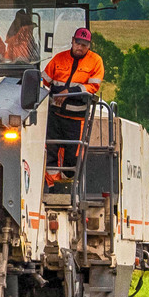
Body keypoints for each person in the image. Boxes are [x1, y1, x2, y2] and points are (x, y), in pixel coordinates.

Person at [42, 26, 104, 190]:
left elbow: (93, 87)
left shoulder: (96, 61)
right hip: (54, 116)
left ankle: (69, 185)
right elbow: (43, 81)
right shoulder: (58, 59)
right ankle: (54, 186)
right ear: (72, 41)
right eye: (78, 43)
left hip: (77, 120)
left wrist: (68, 92)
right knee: (51, 152)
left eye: (84, 44)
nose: (80, 47)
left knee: (73, 157)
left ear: (89, 46)